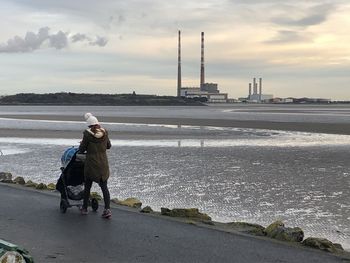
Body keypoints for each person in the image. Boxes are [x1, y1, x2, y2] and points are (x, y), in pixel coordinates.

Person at [79, 113, 112, 218]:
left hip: (91, 164)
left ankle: (84, 208)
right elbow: (109, 146)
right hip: (103, 164)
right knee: (104, 187)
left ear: (89, 125)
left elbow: (81, 149)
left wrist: (82, 145)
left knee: (87, 186)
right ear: (98, 124)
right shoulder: (105, 132)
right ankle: (107, 210)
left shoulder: (87, 134)